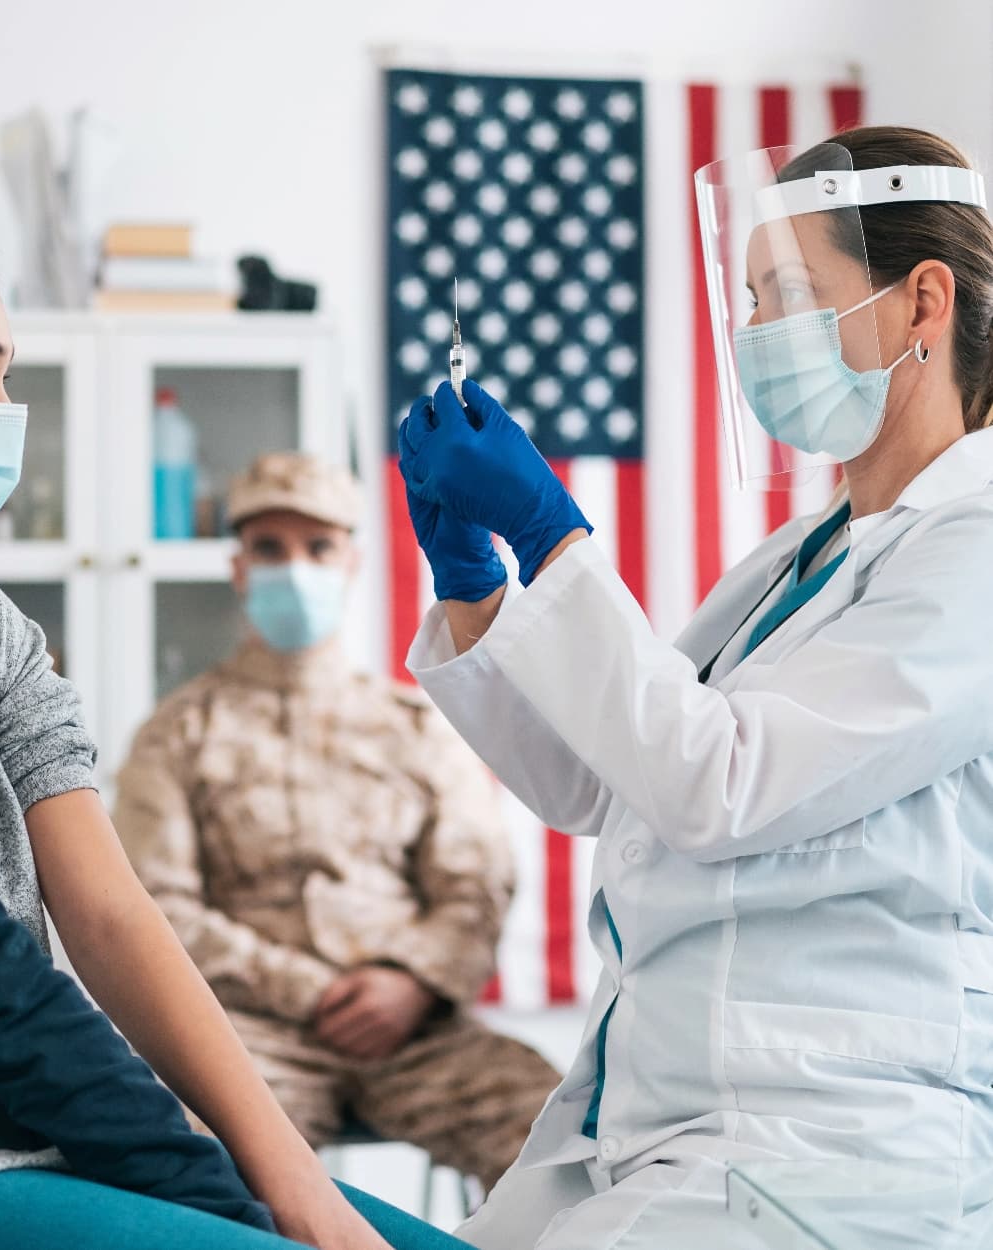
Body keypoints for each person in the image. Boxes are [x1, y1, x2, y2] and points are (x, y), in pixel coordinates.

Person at [0, 194, 466, 1250]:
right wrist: (233, 1203)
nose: (7, 405)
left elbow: (111, 915)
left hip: (44, 1129)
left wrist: (296, 1184)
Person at [396, 124, 993, 1249]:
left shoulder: (976, 550)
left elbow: (721, 785)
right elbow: (602, 778)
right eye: (752, 297)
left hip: (828, 1145)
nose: (755, 331)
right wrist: (475, 582)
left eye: (785, 292)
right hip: (666, 1122)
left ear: (922, 305)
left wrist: (552, 532)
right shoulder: (802, 552)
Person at [114, 451, 561, 1194]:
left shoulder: (418, 725)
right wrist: (307, 991)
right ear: (238, 569)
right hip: (247, 1035)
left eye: (317, 547)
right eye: (269, 548)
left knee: (563, 1138)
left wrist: (412, 982)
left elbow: (475, 881)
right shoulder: (179, 732)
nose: (294, 567)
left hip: (416, 1033)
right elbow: (155, 907)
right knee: (185, 1165)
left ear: (351, 562)